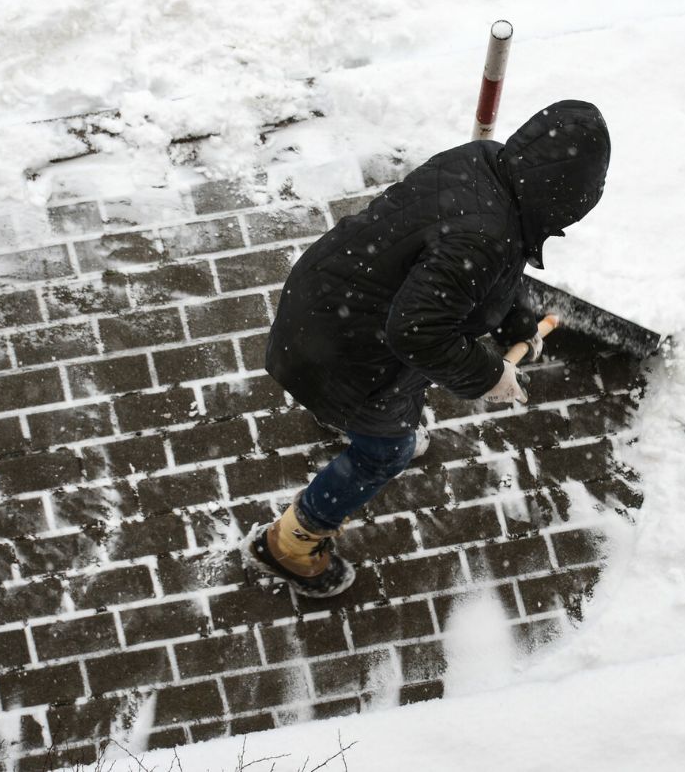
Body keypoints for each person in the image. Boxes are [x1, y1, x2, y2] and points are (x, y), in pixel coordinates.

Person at [246, 100, 611, 597]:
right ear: (565, 198)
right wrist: (489, 375)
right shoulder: (488, 237)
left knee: (391, 406)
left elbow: (469, 269)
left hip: (326, 299)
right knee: (386, 451)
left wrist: (516, 323)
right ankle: (290, 545)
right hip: (343, 352)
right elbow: (419, 332)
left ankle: (345, 421)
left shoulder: (484, 163)